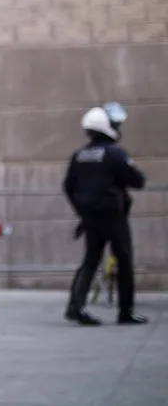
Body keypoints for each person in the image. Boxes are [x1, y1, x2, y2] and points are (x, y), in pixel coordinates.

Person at [63, 102, 147, 326]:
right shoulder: (114, 153)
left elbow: (68, 186)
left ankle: (75, 306)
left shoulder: (79, 155)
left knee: (90, 260)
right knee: (124, 260)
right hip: (113, 215)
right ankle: (126, 311)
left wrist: (82, 211)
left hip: (90, 218)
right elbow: (138, 180)